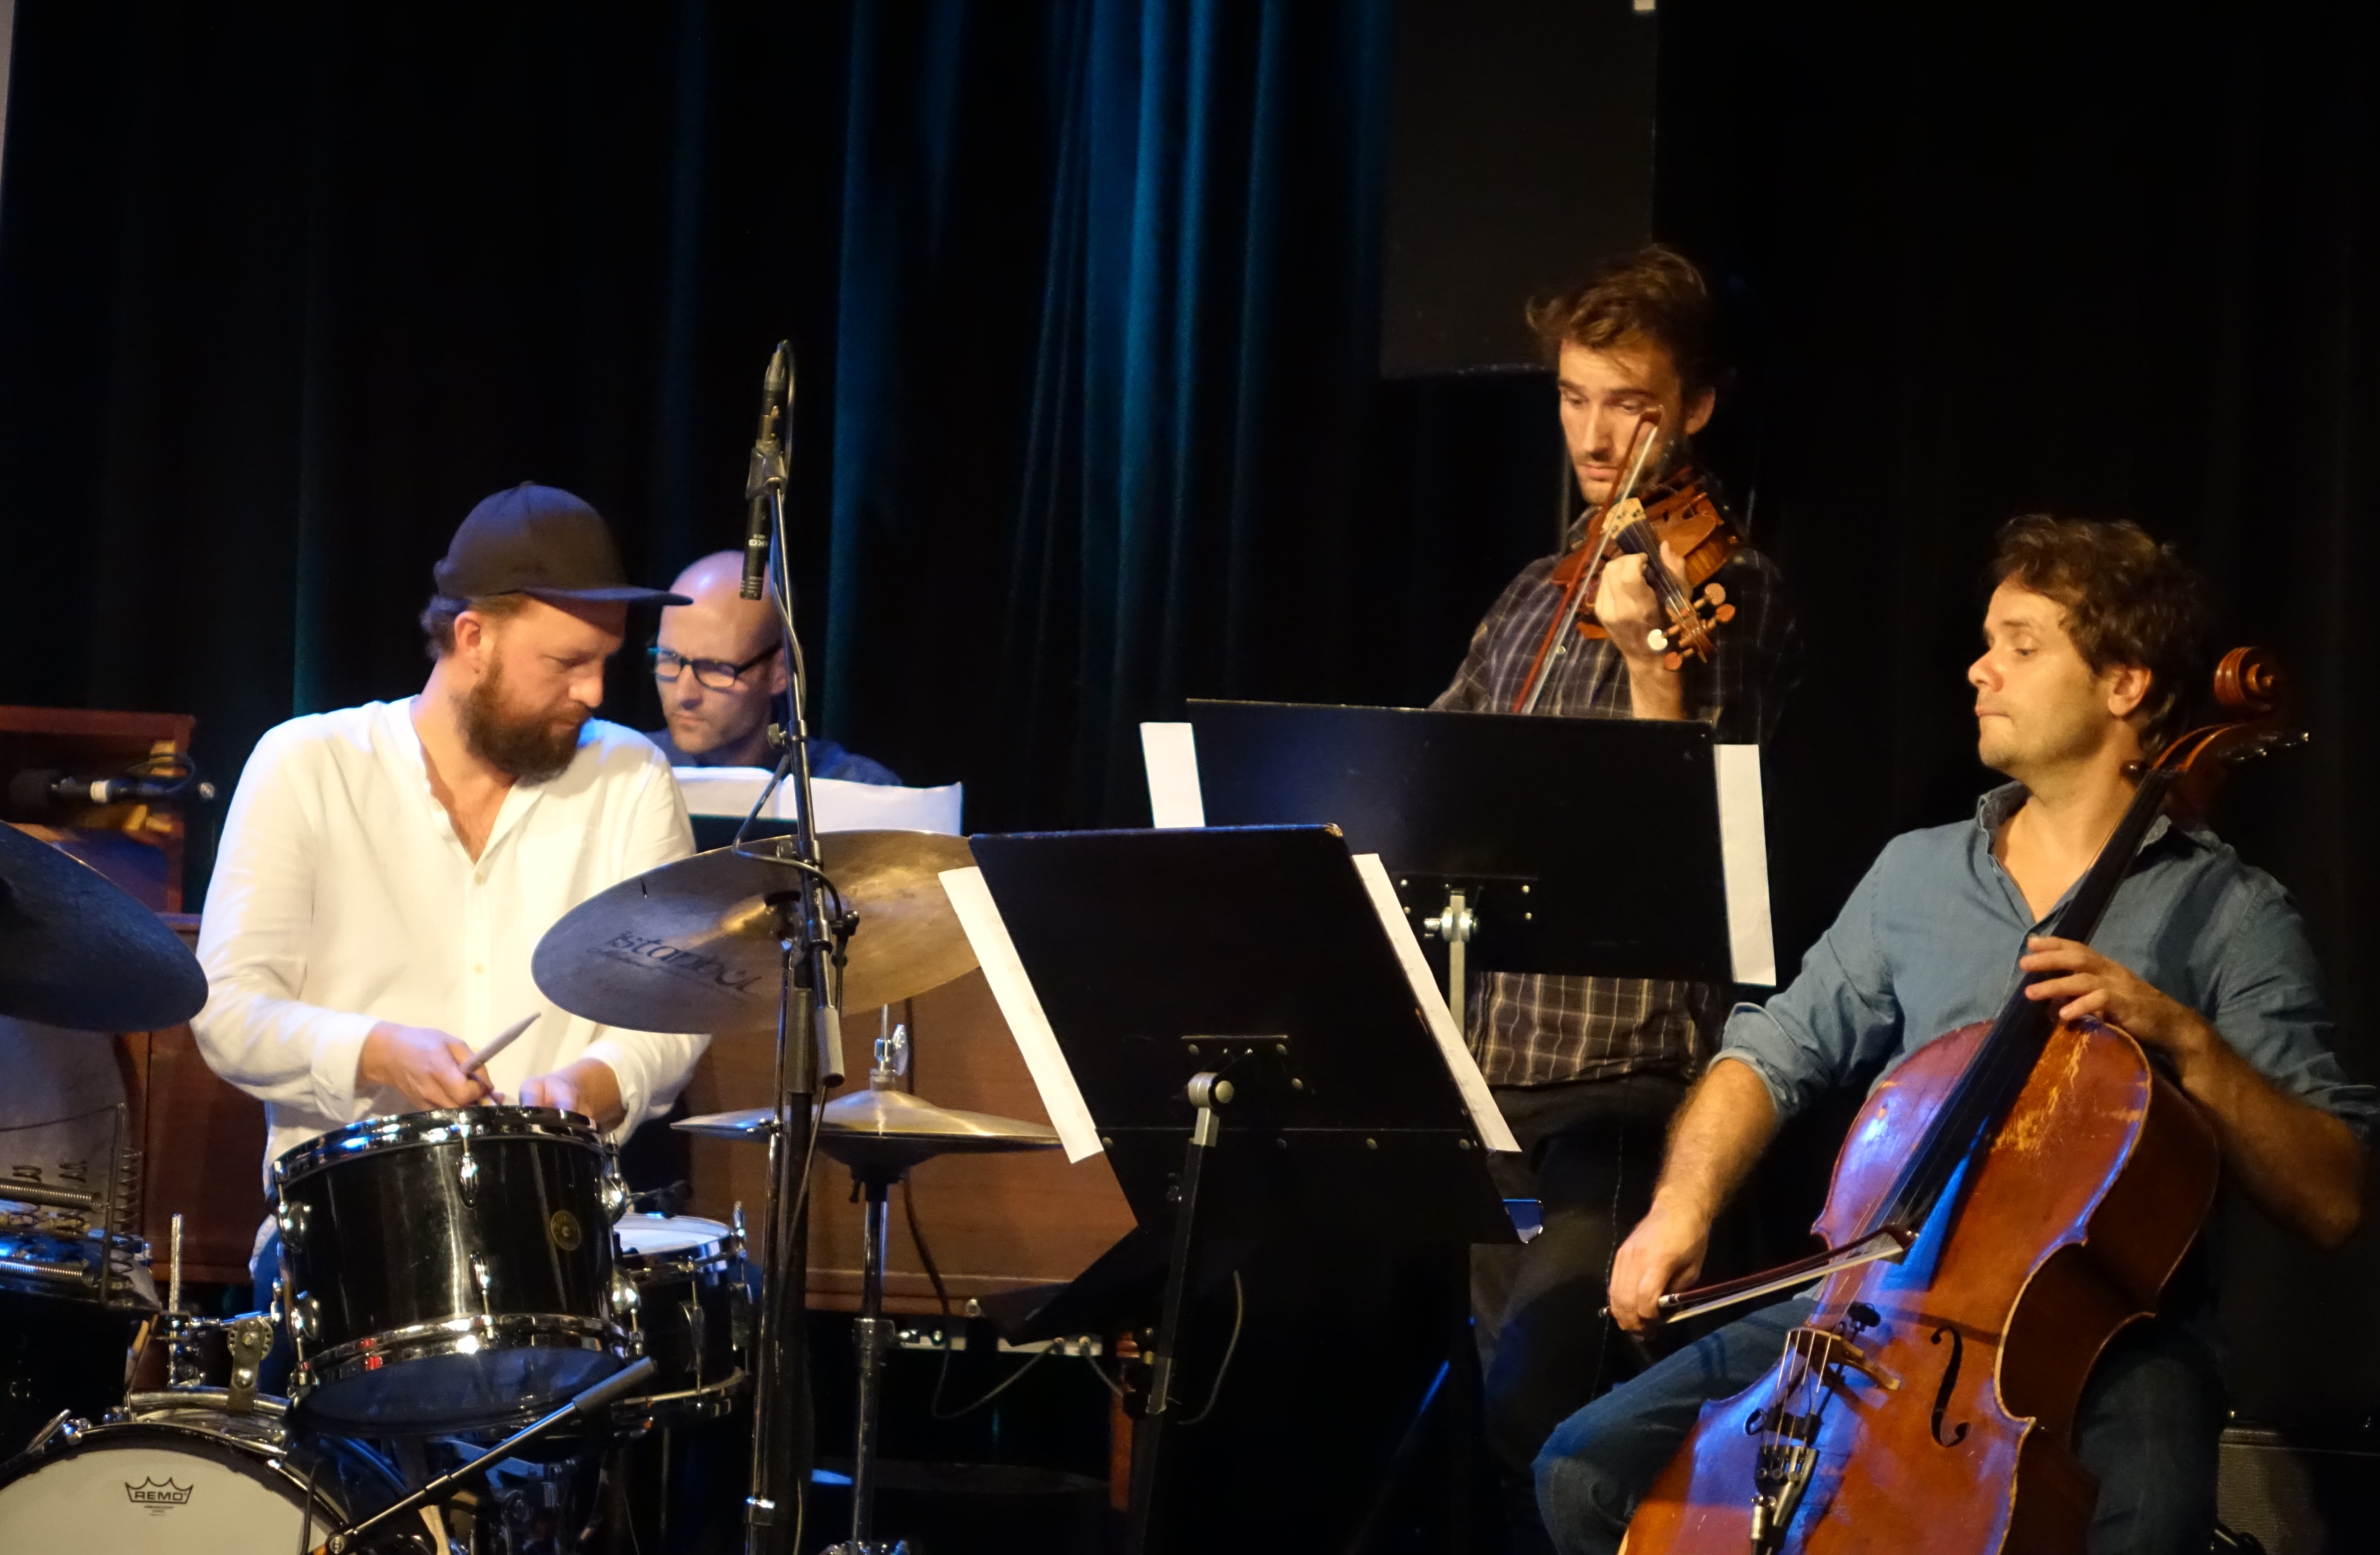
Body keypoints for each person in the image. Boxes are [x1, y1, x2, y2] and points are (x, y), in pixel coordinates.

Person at [1538, 516, 2373, 1555]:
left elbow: (2333, 1193)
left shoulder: (2231, 913)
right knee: (1581, 1470)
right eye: (1987, 641)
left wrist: (2186, 1041)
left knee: (2147, 1522)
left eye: (2021, 646)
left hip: (2111, 1333)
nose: (1980, 669)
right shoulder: (1916, 874)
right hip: (1875, 1304)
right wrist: (1679, 1208)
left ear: (2124, 685)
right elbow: (1771, 1049)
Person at [1431, 245, 1802, 1552]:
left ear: (1694, 407)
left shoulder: (1730, 587)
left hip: (1624, 1082)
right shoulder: (1536, 595)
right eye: (1576, 397)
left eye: (1630, 402)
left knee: (1545, 1401)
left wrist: (1652, 658)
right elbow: (1429, 780)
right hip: (1493, 1077)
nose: (1597, 433)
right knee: (1481, 1412)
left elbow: (1692, 840)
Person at [193, 483, 713, 1335]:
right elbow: (227, 1010)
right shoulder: (307, 765)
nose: (592, 691)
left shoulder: (628, 777)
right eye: (565, 663)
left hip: (557, 1244)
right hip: (341, 1246)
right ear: (473, 637)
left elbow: (670, 1003)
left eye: (605, 664)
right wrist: (381, 1052)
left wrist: (596, 1083)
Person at [645, 549, 902, 784]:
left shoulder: (858, 792)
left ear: (782, 670)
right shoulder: (632, 774)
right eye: (669, 659)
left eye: (716, 668)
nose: (684, 695)